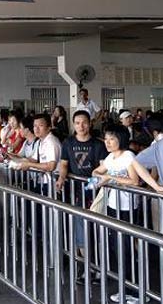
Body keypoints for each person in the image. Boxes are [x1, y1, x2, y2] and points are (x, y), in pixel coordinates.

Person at [92, 124, 163, 304]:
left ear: (121, 140)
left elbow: (134, 180)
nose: (107, 142)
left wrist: (109, 177)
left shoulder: (128, 156)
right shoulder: (111, 157)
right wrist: (102, 176)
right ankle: (126, 289)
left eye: (112, 139)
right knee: (118, 249)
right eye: (106, 138)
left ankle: (137, 291)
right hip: (112, 206)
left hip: (127, 209)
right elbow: (96, 172)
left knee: (126, 250)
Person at [55, 110, 108, 283]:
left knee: (98, 231)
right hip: (76, 194)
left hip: (95, 195)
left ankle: (100, 269)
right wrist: (61, 178)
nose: (81, 126)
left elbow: (103, 169)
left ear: (90, 123)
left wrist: (94, 184)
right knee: (80, 233)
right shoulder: (68, 143)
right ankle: (89, 268)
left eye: (84, 122)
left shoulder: (98, 145)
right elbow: (64, 164)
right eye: (77, 123)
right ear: (73, 124)